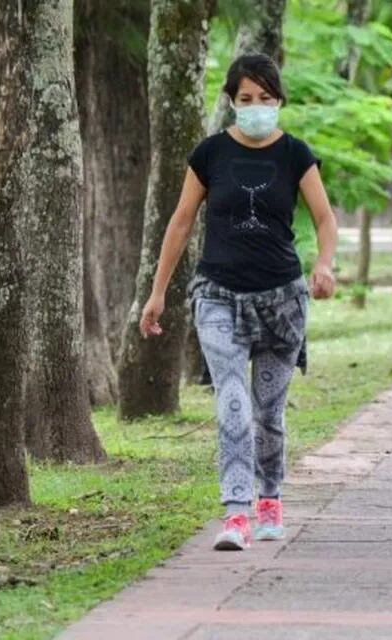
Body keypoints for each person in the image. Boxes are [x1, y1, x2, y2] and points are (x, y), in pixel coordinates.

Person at [138, 53, 338, 551]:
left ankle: (269, 499)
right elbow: (181, 221)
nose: (256, 108)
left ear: (279, 101)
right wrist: (158, 292)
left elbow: (325, 218)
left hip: (282, 302)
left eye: (265, 99)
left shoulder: (295, 154)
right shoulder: (209, 155)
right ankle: (235, 512)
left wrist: (325, 263)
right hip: (218, 297)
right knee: (231, 405)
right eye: (245, 99)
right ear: (231, 101)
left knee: (268, 413)